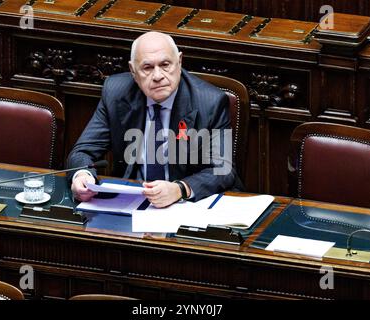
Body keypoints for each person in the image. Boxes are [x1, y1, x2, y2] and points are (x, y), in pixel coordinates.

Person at [67, 31, 243, 207]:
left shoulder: (210, 101)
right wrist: (82, 175)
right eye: (147, 68)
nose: (158, 76)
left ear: (179, 62)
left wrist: (180, 189)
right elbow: (82, 152)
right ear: (133, 71)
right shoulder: (116, 92)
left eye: (165, 64)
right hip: (132, 200)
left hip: (186, 204)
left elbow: (223, 169)